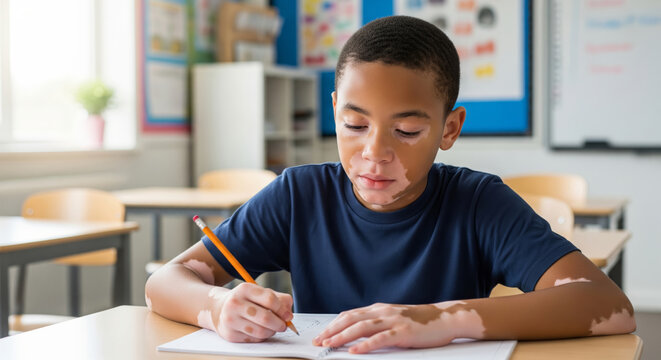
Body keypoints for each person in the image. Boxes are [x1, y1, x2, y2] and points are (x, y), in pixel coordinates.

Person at [145, 15, 635, 354]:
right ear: (335, 109)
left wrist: (442, 321)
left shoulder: (478, 203)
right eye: (354, 125)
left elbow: (608, 306)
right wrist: (218, 306)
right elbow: (164, 283)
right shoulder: (298, 195)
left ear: (449, 129)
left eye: (406, 131)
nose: (374, 153)